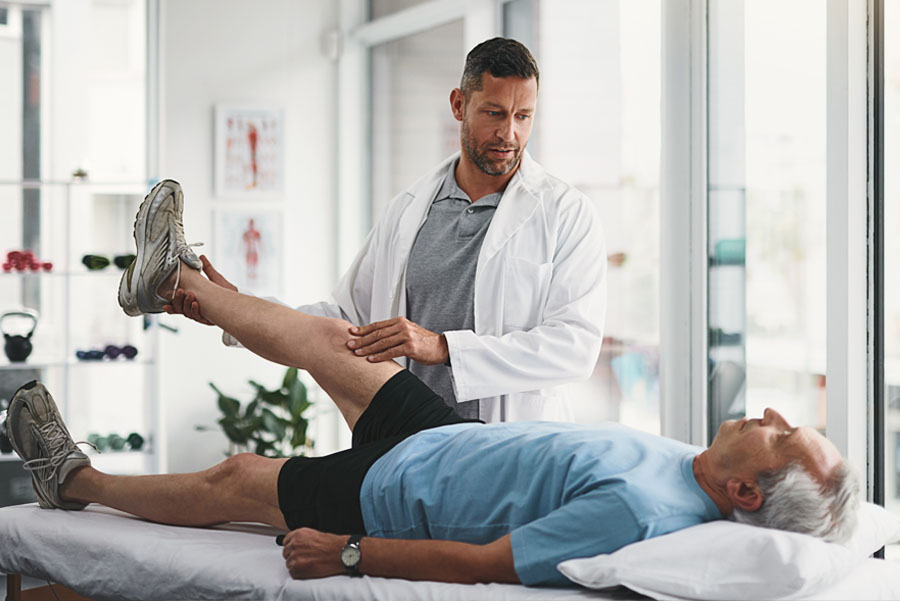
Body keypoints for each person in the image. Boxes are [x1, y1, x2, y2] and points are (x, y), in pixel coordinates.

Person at [6, 188, 859, 588]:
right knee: (334, 339)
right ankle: (173, 283)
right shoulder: (686, 462)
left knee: (239, 477)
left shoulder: (644, 514)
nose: (775, 414)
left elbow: (492, 564)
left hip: (401, 493)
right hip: (447, 438)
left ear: (747, 490)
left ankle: (72, 480)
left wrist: (349, 550)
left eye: (785, 436)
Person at [165, 37, 608, 423]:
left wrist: (444, 348)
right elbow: (344, 323)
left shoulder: (565, 212)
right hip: (407, 436)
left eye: (523, 116)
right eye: (494, 112)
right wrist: (237, 311)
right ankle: (180, 283)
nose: (509, 133)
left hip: (503, 446)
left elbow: (574, 347)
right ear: (458, 104)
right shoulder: (409, 210)